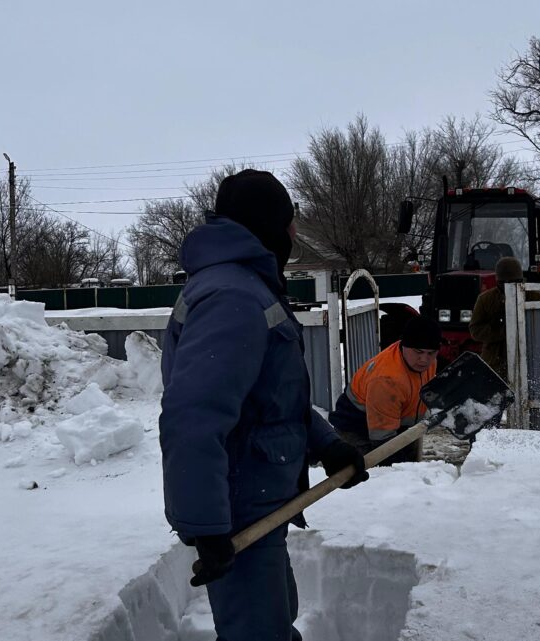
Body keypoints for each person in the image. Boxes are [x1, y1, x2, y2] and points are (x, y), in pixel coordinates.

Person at [158, 169, 369, 641]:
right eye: (291, 221)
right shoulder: (232, 296)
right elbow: (192, 417)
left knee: (273, 621)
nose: (296, 233)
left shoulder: (245, 286)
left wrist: (327, 445)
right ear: (270, 224)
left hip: (258, 499)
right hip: (239, 509)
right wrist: (207, 527)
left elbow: (274, 400)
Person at [328, 315, 440, 465]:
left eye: (431, 353)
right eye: (418, 352)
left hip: (397, 424)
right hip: (357, 430)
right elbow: (383, 442)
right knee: (374, 476)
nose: (424, 359)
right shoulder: (387, 380)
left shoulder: (427, 363)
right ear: (404, 345)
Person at [468, 256, 540, 382]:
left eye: (515, 282)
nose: (510, 286)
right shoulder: (486, 299)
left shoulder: (535, 297)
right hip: (495, 362)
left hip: (530, 359)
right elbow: (475, 330)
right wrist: (502, 330)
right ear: (497, 281)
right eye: (505, 283)